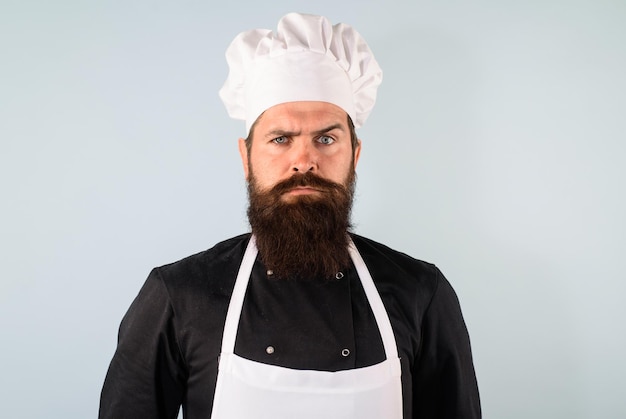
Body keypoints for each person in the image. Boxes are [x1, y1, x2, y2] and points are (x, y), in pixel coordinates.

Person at [99, 12, 481, 419]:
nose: (304, 161)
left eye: (327, 138)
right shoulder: (178, 295)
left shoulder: (421, 294)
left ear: (354, 156)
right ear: (246, 158)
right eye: (281, 139)